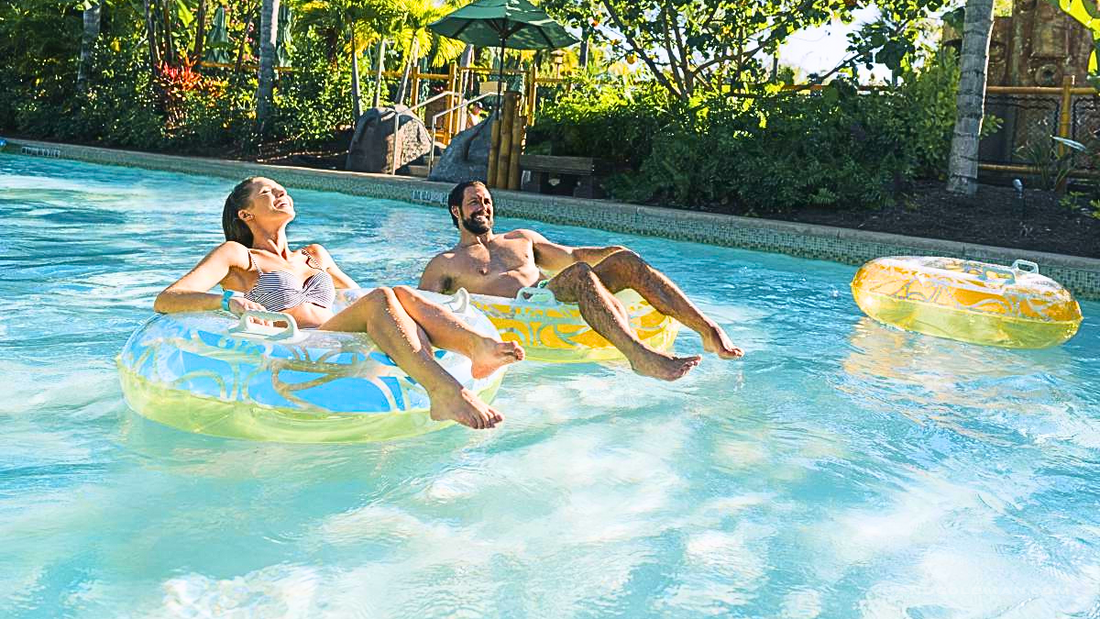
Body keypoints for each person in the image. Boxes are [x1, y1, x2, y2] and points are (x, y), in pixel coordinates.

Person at [154, 177, 524, 430]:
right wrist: (228, 300)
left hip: (336, 338)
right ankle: (445, 391)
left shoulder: (314, 254)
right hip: (297, 344)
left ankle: (477, 348)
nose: (280, 193)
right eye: (268, 192)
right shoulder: (238, 255)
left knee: (394, 292)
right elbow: (167, 299)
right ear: (245, 213)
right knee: (383, 297)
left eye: (282, 189)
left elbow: (362, 298)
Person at [419, 181, 743, 381]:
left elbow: (573, 255)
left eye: (487, 201)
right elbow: (424, 309)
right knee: (581, 276)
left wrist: (615, 252)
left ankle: (707, 330)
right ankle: (638, 355)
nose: (483, 207)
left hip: (549, 293)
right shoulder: (445, 263)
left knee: (625, 261)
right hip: (522, 310)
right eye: (474, 202)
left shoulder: (520, 238)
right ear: (456, 211)